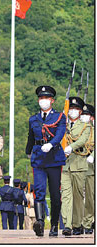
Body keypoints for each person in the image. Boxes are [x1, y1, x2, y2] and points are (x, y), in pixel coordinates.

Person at [25, 86, 66, 237]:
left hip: (54, 158)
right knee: (39, 191)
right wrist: (28, 152)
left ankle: (54, 225)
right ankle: (40, 223)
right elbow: (31, 137)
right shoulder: (33, 118)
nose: (43, 101)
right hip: (39, 159)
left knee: (55, 194)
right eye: (41, 99)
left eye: (46, 99)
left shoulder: (60, 117)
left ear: (52, 101)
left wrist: (52, 143)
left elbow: (60, 133)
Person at [60, 97, 91, 236]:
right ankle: (67, 225)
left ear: (80, 112)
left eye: (75, 109)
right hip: (65, 165)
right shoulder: (62, 124)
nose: (72, 111)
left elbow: (83, 140)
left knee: (78, 197)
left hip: (79, 164)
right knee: (66, 195)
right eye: (70, 108)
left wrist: (71, 147)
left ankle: (77, 224)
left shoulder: (86, 125)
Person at [81, 104, 94, 234]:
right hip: (76, 167)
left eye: (87, 114)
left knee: (90, 197)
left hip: (90, 168)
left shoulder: (93, 131)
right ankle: (80, 222)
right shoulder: (76, 130)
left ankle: (88, 222)